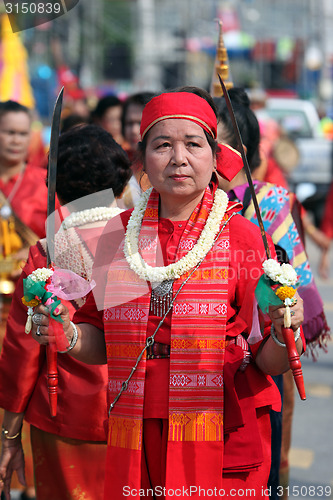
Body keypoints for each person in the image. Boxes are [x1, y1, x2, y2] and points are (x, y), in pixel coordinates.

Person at [29, 87, 304, 500]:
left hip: (221, 427)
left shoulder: (243, 236)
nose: (178, 158)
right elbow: (99, 341)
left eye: (193, 144)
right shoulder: (115, 237)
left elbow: (270, 355)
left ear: (214, 155)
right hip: (135, 426)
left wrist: (287, 329)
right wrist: (65, 333)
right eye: (163, 145)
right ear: (142, 157)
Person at [0, 124, 131, 500]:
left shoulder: (50, 249)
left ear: (56, 188)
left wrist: (10, 435)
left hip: (64, 414)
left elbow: (24, 349)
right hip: (137, 411)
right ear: (121, 183)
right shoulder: (145, 241)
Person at [214, 87, 329, 499]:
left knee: (263, 445)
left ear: (238, 150)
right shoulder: (178, 207)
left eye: (211, 144)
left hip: (259, 342)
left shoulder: (270, 201)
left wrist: (284, 317)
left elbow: (293, 275)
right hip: (203, 360)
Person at [0, 100, 49, 500]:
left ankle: (26, 483)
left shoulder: (39, 181)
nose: (15, 140)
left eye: (21, 133)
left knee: (23, 389)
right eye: (8, 132)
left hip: (26, 312)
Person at [119, 92, 155, 208]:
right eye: (129, 123)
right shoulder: (118, 161)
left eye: (140, 123)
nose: (134, 130)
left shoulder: (166, 164)